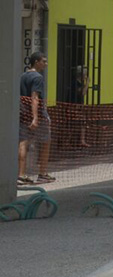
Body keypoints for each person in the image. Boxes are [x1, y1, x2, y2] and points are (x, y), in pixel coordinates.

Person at [17, 52, 54, 186]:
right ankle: (42, 174)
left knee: (23, 143)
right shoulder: (38, 77)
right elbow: (34, 97)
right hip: (36, 115)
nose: (46, 64)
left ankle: (21, 175)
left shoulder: (22, 76)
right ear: (37, 62)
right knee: (46, 142)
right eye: (44, 61)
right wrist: (36, 118)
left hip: (22, 114)